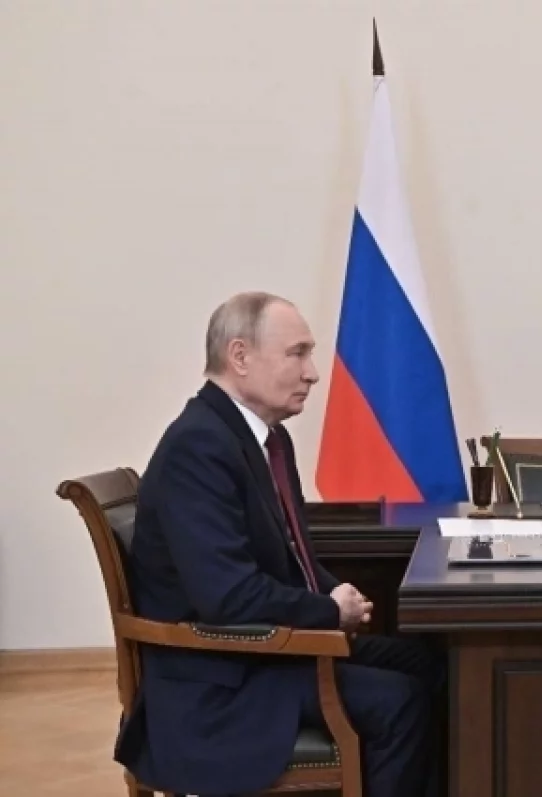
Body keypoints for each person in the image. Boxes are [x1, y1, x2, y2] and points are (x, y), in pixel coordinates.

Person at [116, 292, 442, 797]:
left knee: (435, 663)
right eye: (297, 353)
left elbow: (289, 557)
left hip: (263, 655)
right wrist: (328, 611)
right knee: (400, 700)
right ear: (240, 357)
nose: (313, 373)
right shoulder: (198, 446)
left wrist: (335, 596)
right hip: (220, 679)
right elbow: (228, 596)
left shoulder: (265, 438)